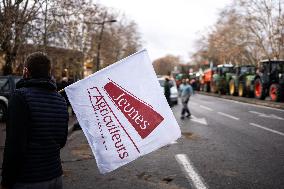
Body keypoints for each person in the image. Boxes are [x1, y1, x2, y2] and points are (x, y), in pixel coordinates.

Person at [1, 52, 69, 189]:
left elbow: (14, 146)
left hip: (28, 179)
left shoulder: (20, 97)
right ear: (49, 72)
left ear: (26, 71)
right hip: (55, 177)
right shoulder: (61, 101)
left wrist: (6, 181)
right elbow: (62, 141)